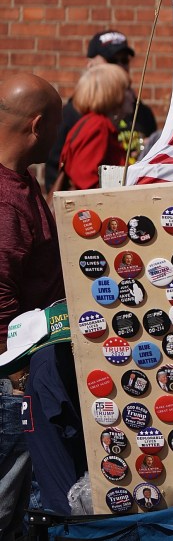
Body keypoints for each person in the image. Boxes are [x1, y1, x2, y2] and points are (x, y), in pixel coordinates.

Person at [0, 73, 65, 536]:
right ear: (37, 126)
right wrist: (18, 373)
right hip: (11, 381)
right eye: (58, 125)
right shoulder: (5, 201)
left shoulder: (19, 184)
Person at [46, 30, 156, 187]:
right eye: (112, 60)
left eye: (124, 60)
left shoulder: (141, 113)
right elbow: (87, 185)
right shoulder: (94, 125)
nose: (119, 66)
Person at [56, 63, 129, 191]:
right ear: (112, 93)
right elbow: (86, 183)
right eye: (126, 89)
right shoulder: (98, 126)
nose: (132, 95)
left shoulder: (95, 123)